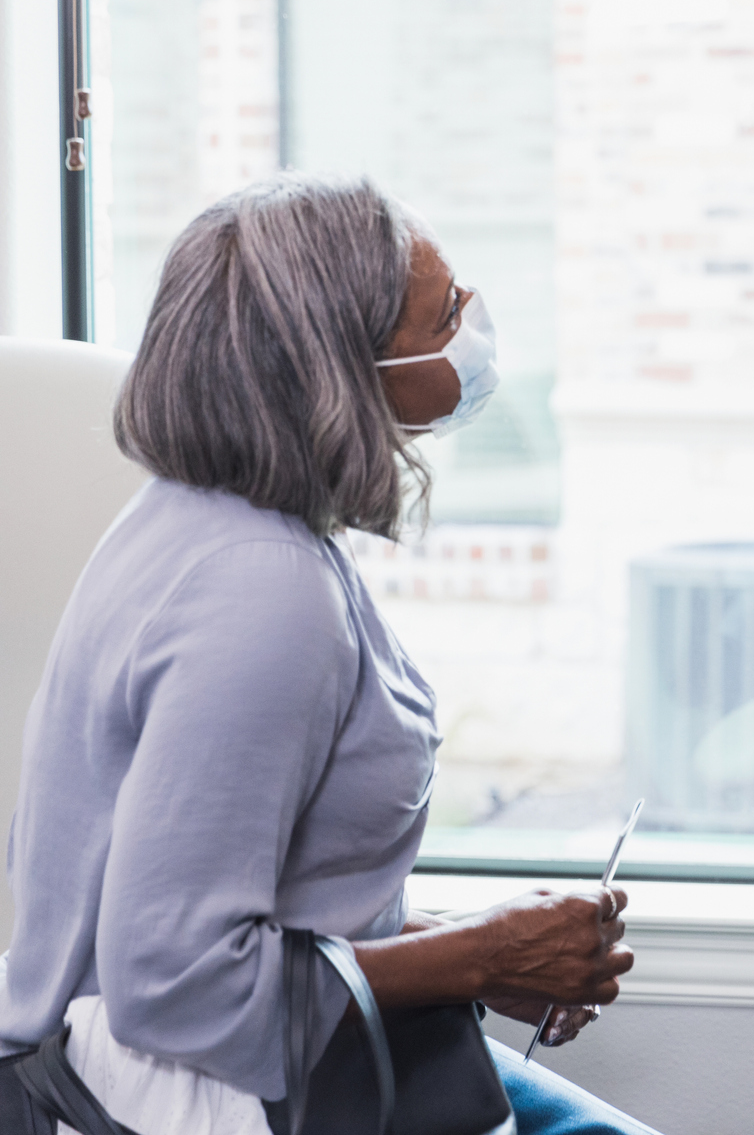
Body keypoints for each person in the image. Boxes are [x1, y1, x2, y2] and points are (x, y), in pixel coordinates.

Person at [0, 174, 660, 1133]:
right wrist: (480, 958)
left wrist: (478, 950)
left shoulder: (199, 520)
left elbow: (261, 904)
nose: (473, 327)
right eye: (447, 313)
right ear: (342, 368)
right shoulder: (262, 592)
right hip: (191, 1094)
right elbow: (175, 987)